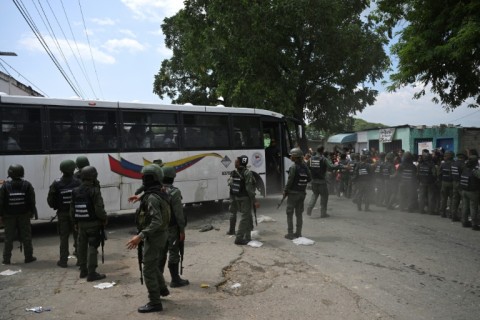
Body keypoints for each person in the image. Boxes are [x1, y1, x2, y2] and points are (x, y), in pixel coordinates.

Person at [126, 164, 171, 313]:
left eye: (146, 177)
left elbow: (156, 221)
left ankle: (155, 302)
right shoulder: (159, 191)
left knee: (148, 269)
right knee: (150, 263)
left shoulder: (152, 196)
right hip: (161, 235)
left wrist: (140, 236)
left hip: (155, 236)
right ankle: (163, 289)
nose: (144, 180)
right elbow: (150, 195)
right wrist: (138, 197)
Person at [71, 166, 107, 282]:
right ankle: (92, 273)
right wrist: (104, 218)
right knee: (92, 246)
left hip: (81, 224)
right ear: (94, 176)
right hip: (93, 224)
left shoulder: (75, 191)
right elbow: (99, 209)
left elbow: (72, 209)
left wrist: (75, 222)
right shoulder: (94, 191)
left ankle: (83, 270)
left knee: (81, 246)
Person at [0, 164, 37, 265]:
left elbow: (1, 202)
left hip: (9, 216)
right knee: (26, 236)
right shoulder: (27, 185)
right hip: (24, 215)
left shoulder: (5, 186)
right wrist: (32, 213)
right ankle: (28, 257)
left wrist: (1, 215)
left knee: (8, 238)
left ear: (10, 173)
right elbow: (32, 201)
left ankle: (6, 259)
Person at [159, 166, 189, 287]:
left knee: (161, 252)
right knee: (173, 252)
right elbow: (179, 214)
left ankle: (159, 277)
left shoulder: (158, 190)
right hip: (172, 227)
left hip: (160, 227)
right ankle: (175, 279)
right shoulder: (174, 192)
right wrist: (182, 230)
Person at [47, 160, 81, 268]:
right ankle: (80, 260)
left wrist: (56, 206)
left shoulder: (56, 183)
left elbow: (50, 200)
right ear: (73, 169)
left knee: (63, 238)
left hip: (62, 214)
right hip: (76, 214)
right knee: (78, 237)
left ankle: (63, 261)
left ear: (61, 170)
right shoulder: (78, 182)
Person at [228, 155, 259, 245]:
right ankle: (239, 238)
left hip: (238, 198)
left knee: (248, 216)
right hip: (245, 198)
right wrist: (255, 200)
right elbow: (249, 189)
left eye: (236, 161)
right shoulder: (247, 173)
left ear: (241, 163)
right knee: (245, 218)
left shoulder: (235, 172)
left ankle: (247, 237)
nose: (235, 162)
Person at [284, 148, 311, 239]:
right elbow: (309, 178)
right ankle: (298, 233)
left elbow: (290, 180)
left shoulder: (293, 167)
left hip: (293, 194)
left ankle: (290, 234)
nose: (290, 157)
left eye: (291, 155)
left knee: (289, 213)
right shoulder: (305, 167)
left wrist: (285, 191)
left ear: (295, 157)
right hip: (302, 193)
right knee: (299, 214)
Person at [306, 146, 338, 218]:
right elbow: (331, 167)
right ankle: (323, 213)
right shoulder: (324, 159)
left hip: (314, 181)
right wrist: (341, 166)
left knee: (315, 194)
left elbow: (306, 166)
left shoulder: (311, 159)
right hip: (322, 181)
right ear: (322, 151)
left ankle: (309, 208)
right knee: (324, 197)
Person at [459, 155, 480, 230]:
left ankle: (464, 222)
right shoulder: (475, 170)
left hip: (464, 190)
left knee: (465, 207)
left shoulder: (465, 168)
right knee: (473, 207)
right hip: (472, 192)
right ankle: (474, 224)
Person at [450, 153, 466, 221]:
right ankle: (464, 217)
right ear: (463, 157)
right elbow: (465, 173)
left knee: (455, 200)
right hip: (460, 183)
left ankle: (453, 216)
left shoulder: (453, 163)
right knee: (464, 200)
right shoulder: (462, 164)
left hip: (454, 182)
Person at [438, 151, 454, 218]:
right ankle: (451, 214)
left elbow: (439, 174)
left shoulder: (443, 164)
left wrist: (441, 181)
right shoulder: (454, 164)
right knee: (452, 199)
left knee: (443, 198)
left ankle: (442, 213)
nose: (444, 157)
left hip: (444, 183)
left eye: (445, 156)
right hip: (452, 183)